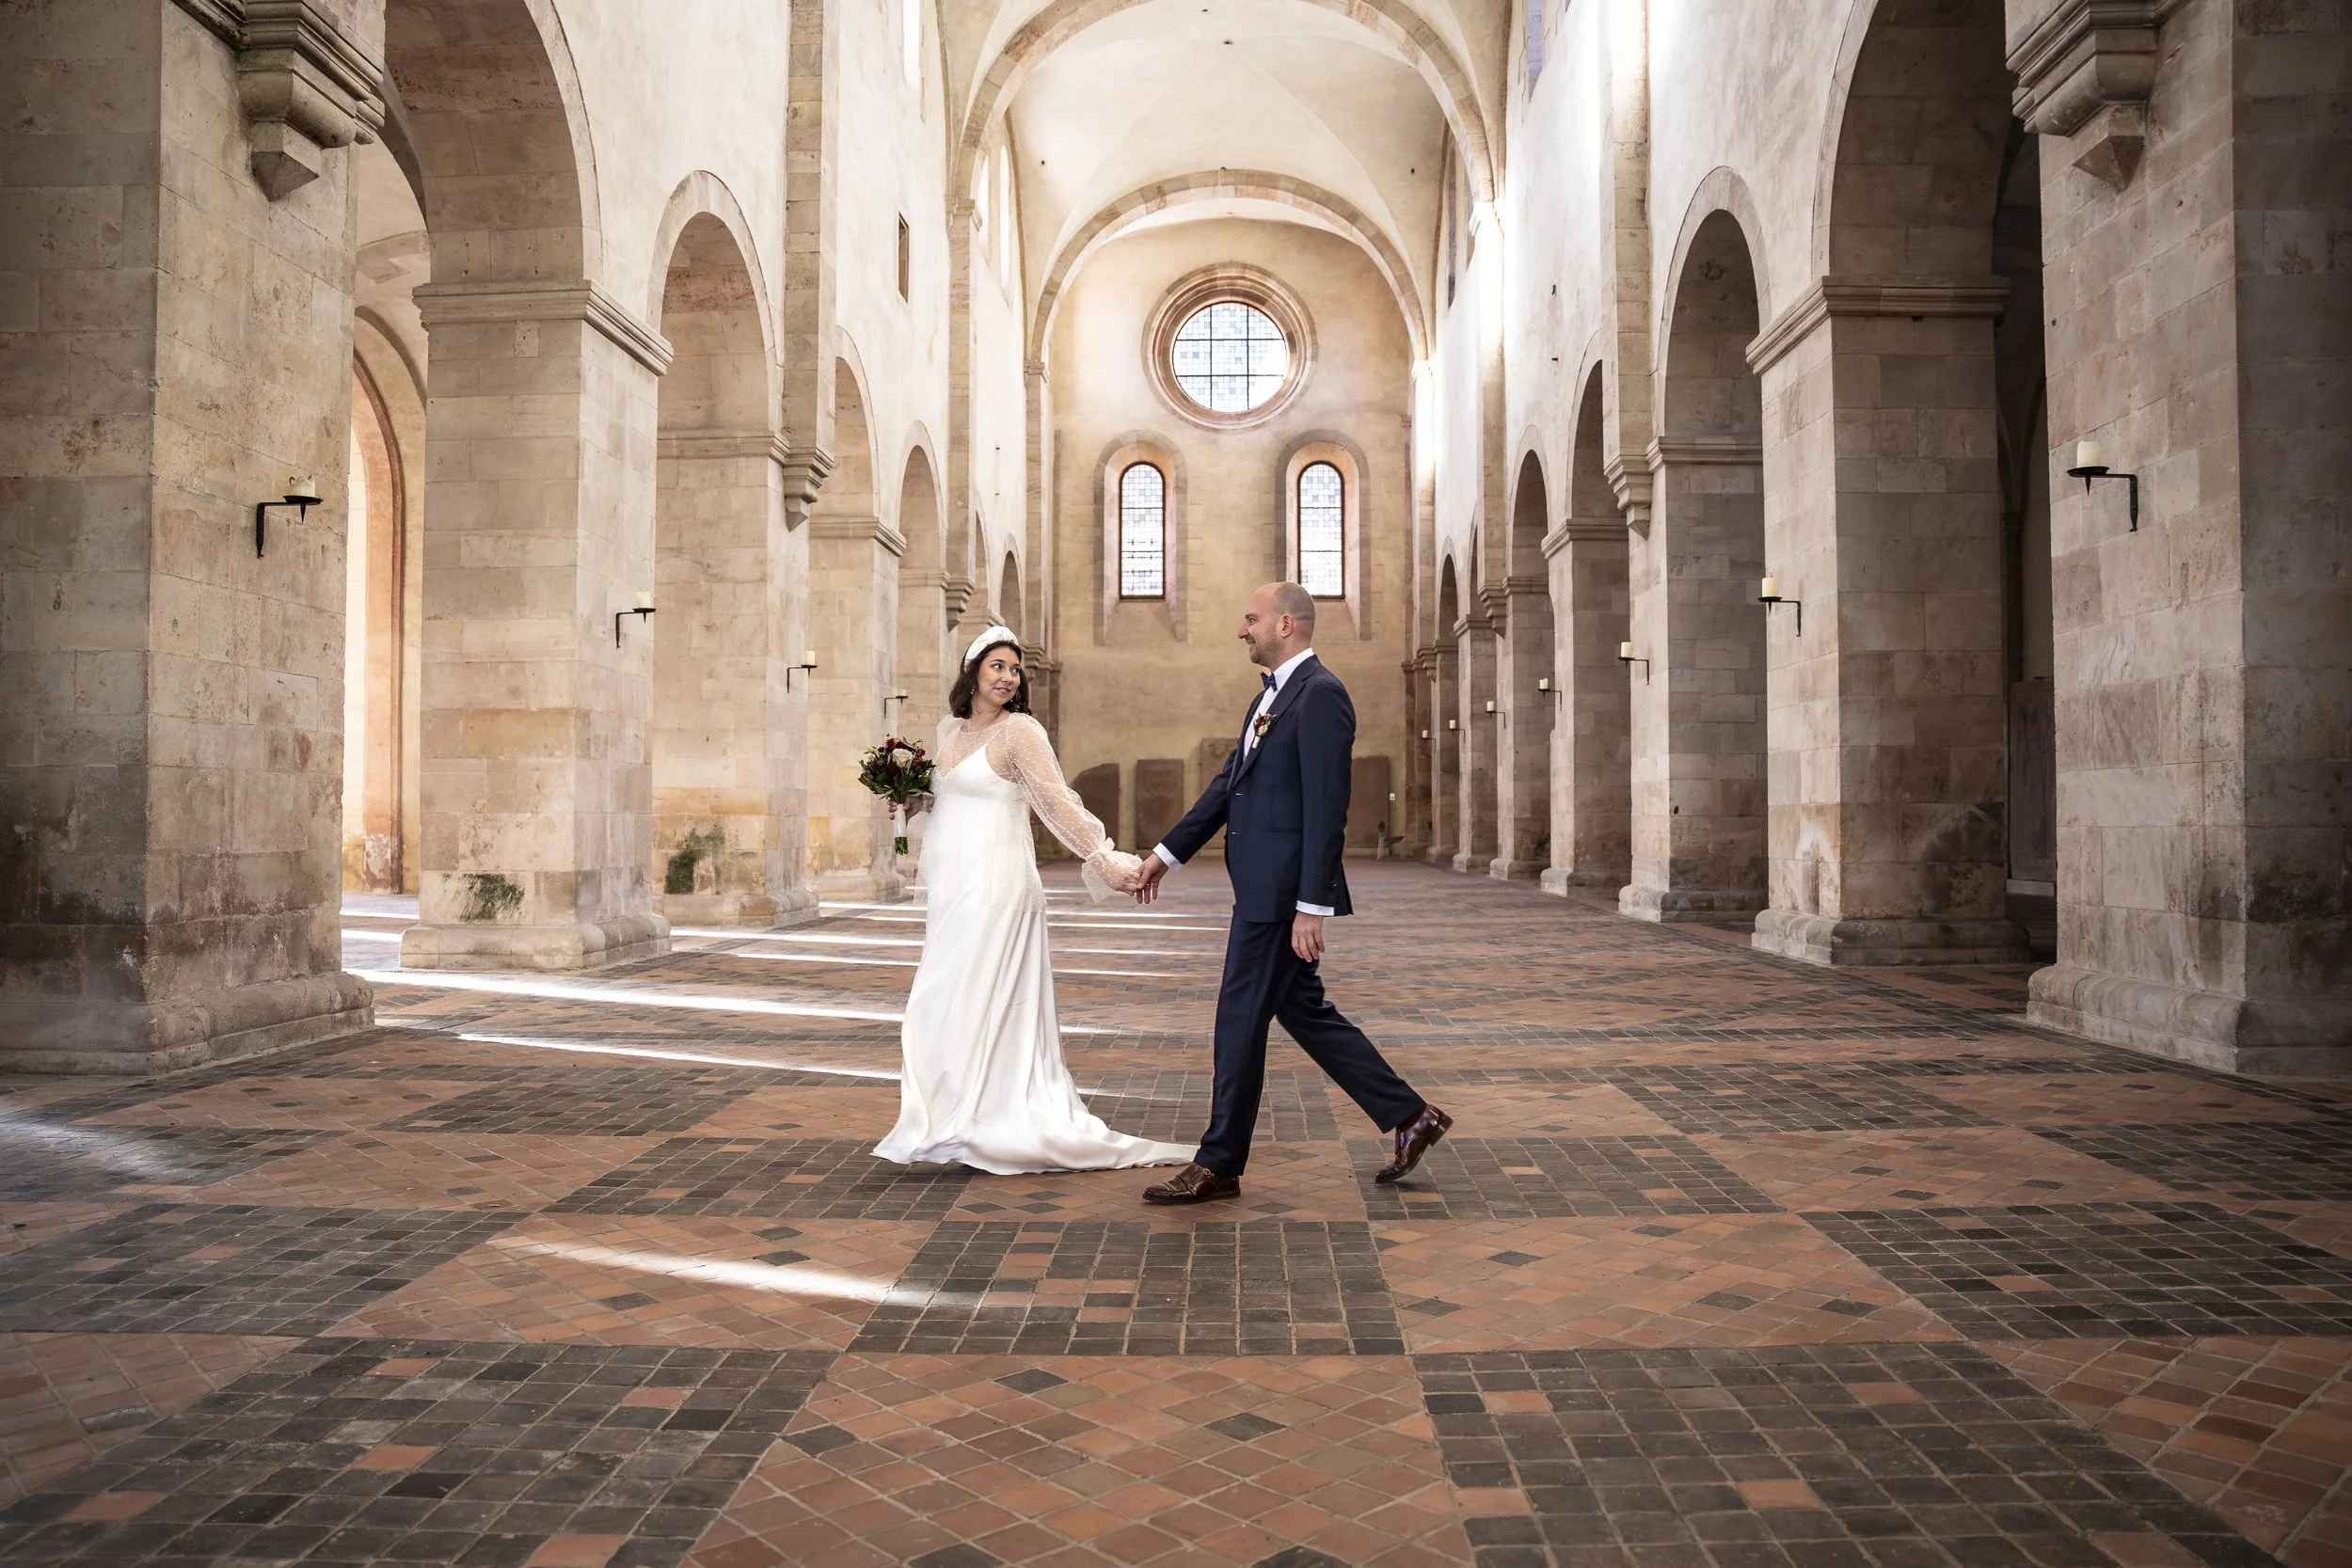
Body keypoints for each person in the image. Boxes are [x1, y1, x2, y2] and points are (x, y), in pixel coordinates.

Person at [1131, 583, 1453, 1204]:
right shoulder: (1267, 701)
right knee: (1304, 1010)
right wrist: (1164, 857)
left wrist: (1313, 905)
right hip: (1261, 889)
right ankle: (1412, 1115)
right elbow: (1225, 789)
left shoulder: (1322, 696)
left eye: (1250, 619)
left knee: (1237, 1020)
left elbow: (1327, 809)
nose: (1242, 630)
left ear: (1285, 624)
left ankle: (1219, 1160)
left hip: (1280, 897)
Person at [874, 627, 1195, 1174]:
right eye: (997, 666)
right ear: (972, 671)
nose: (1007, 676)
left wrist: (1104, 859)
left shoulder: (1020, 731)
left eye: (1014, 669)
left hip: (999, 887)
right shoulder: (949, 730)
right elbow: (951, 800)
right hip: (953, 889)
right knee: (943, 998)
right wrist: (911, 799)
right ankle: (953, 1114)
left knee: (986, 998)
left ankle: (987, 1116)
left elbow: (1055, 800)